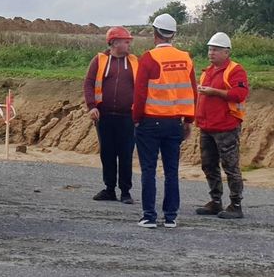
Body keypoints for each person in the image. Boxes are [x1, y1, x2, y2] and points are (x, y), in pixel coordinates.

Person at [132, 13, 197, 229]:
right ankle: (170, 217)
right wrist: (188, 120)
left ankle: (149, 216)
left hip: (150, 122)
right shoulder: (186, 58)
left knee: (149, 170)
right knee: (172, 171)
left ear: (155, 33)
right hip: (174, 123)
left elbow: (140, 93)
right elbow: (191, 93)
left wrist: (136, 119)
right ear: (173, 34)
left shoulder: (149, 58)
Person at [195, 32, 250, 219]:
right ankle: (216, 201)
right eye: (210, 49)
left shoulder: (235, 70)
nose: (211, 53)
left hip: (226, 126)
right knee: (209, 165)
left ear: (227, 52)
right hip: (207, 126)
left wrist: (214, 92)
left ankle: (236, 204)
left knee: (231, 167)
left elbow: (239, 94)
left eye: (216, 50)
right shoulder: (208, 71)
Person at [83, 26, 138, 204]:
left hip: (127, 117)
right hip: (104, 116)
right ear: (114, 42)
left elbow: (143, 88)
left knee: (125, 154)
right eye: (125, 40)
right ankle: (109, 189)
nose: (129, 43)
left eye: (129, 40)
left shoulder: (135, 62)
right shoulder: (99, 61)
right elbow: (89, 83)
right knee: (107, 153)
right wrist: (91, 106)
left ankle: (125, 191)